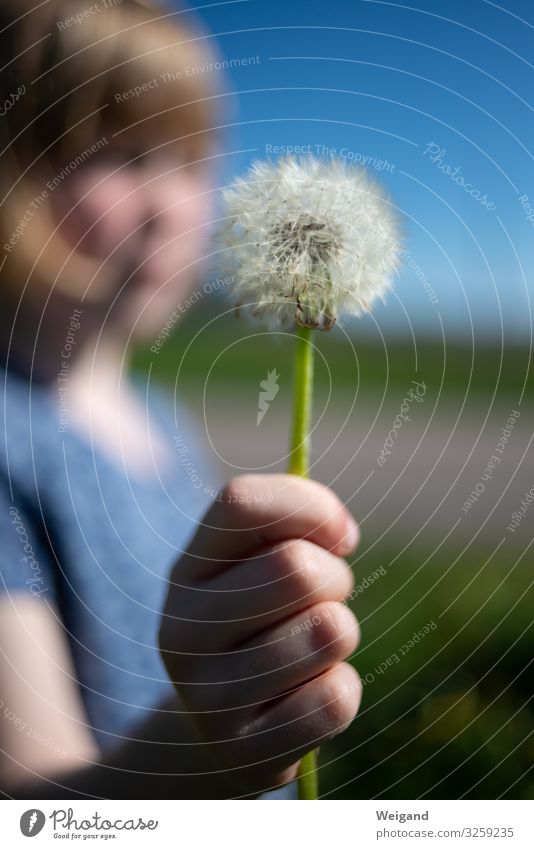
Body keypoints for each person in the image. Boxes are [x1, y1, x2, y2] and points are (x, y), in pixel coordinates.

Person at [0, 0, 361, 799]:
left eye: (193, 164)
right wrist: (199, 753)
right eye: (123, 156)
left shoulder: (158, 415)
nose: (171, 208)